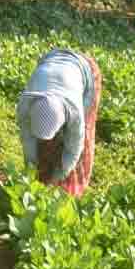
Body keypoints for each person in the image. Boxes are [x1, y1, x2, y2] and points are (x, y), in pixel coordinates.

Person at [16, 48, 103, 197]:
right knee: (44, 148)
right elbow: (28, 139)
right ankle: (45, 179)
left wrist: (59, 175)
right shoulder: (25, 105)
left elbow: (74, 149)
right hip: (51, 60)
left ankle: (73, 191)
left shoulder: (74, 110)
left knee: (83, 142)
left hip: (85, 70)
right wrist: (31, 170)